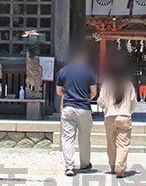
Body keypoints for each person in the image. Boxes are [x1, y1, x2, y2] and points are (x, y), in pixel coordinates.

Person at [56, 46, 98, 177]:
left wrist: (68, 94)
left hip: (68, 106)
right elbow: (94, 93)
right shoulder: (89, 72)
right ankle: (85, 163)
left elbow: (59, 91)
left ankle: (69, 166)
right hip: (84, 107)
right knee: (84, 137)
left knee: (67, 137)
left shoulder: (63, 72)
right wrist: (84, 97)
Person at [97, 55, 138, 178]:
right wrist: (129, 111)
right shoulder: (128, 85)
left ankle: (112, 166)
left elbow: (101, 101)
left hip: (110, 116)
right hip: (124, 116)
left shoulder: (106, 84)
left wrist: (107, 107)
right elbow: (133, 102)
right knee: (123, 143)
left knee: (111, 143)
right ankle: (120, 166)